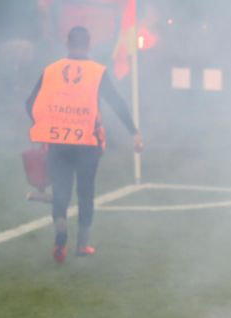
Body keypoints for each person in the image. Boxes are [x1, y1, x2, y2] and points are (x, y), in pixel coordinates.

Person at [26, 25, 143, 264]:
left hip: (57, 140)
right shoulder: (96, 72)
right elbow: (117, 103)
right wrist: (134, 132)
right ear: (88, 45)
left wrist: (45, 127)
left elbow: (30, 103)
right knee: (86, 192)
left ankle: (60, 237)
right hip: (88, 143)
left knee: (61, 192)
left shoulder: (51, 70)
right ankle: (82, 245)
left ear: (67, 43)